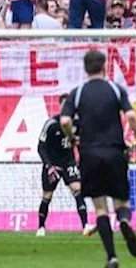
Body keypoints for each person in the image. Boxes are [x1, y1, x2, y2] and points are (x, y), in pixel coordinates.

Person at [60, 50, 136, 267]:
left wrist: (72, 138)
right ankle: (124, 221)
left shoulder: (78, 93)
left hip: (89, 153)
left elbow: (65, 121)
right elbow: (132, 116)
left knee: (100, 208)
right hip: (115, 151)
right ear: (104, 66)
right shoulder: (115, 90)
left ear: (85, 68)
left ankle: (111, 256)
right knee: (121, 202)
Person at [36, 94, 93, 237]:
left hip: (69, 163)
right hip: (53, 164)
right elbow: (40, 148)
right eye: (65, 105)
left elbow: (80, 144)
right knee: (47, 196)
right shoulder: (51, 124)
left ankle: (85, 226)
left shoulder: (77, 124)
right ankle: (41, 227)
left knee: (77, 190)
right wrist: (49, 166)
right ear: (59, 106)